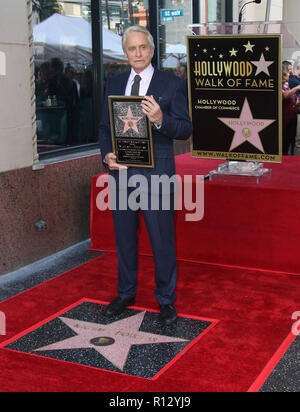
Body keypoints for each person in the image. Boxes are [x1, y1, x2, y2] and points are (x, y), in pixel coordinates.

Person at [99, 25, 193, 325]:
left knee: (162, 239)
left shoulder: (171, 84)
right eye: (131, 49)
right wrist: (106, 155)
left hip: (157, 175)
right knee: (124, 238)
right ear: (125, 53)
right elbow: (104, 128)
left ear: (151, 51)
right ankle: (125, 293)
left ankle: (166, 299)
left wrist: (161, 119)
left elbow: (186, 128)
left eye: (142, 48)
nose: (137, 53)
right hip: (122, 174)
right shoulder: (113, 82)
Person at [282, 68, 300, 155]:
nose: (288, 76)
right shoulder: (279, 85)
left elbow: (294, 99)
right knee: (285, 141)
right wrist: (297, 88)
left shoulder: (286, 85)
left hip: (292, 116)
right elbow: (285, 95)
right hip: (284, 118)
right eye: (286, 74)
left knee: (291, 140)